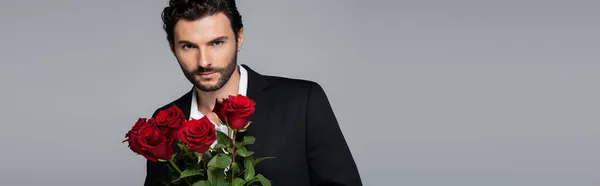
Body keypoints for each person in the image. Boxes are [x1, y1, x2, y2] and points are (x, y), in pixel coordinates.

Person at [144, 0, 362, 185]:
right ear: (173, 48)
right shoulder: (163, 124)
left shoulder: (301, 103)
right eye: (189, 46)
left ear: (239, 38)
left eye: (217, 43)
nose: (204, 61)